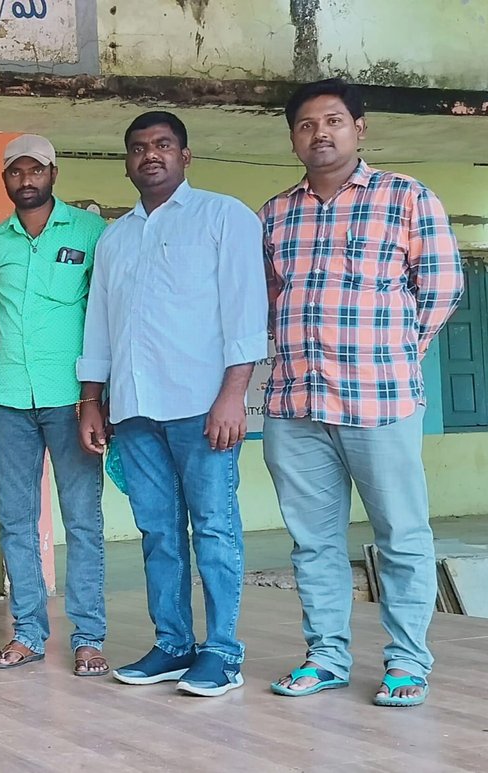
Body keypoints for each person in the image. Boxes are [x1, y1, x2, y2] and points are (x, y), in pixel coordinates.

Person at [259, 79, 463, 707]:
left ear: (359, 128)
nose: (320, 133)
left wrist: (397, 352)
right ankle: (326, 657)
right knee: (312, 541)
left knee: (400, 535)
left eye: (333, 121)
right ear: (293, 138)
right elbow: (267, 299)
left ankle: (406, 662)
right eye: (306, 125)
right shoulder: (275, 213)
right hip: (296, 403)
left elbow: (442, 286)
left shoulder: (405, 197)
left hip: (380, 401)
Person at [77, 112, 268, 697]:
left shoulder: (224, 216)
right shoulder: (114, 238)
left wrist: (233, 395)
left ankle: (223, 653)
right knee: (158, 532)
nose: (150, 155)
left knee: (213, 527)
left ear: (186, 156)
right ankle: (174, 644)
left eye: (163, 145)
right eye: (138, 148)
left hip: (203, 406)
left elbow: (245, 311)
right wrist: (92, 399)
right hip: (135, 409)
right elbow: (99, 325)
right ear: (127, 163)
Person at [0, 135, 110, 677]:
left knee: (82, 520)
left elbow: (104, 317)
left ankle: (89, 637)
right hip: (8, 398)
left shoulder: (91, 232)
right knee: (14, 520)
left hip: (72, 398)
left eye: (35, 170)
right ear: (4, 179)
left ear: (54, 173)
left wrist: (98, 396)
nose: (25, 180)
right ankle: (27, 632)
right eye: (15, 172)